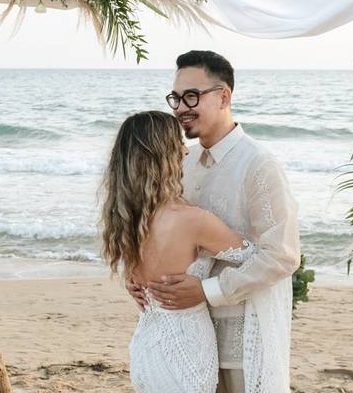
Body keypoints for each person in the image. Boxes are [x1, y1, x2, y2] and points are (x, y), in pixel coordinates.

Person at [129, 50, 301, 393]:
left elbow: (282, 255)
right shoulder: (181, 161)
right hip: (185, 342)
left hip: (241, 338)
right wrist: (140, 277)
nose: (180, 107)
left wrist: (206, 291)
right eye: (176, 98)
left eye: (192, 96)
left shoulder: (259, 165)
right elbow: (162, 229)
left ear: (224, 96)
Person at [100, 111, 255, 393]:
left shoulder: (125, 220)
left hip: (146, 347)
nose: (186, 149)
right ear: (163, 156)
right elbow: (257, 261)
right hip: (186, 348)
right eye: (178, 143)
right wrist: (209, 287)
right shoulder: (193, 220)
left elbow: (138, 275)